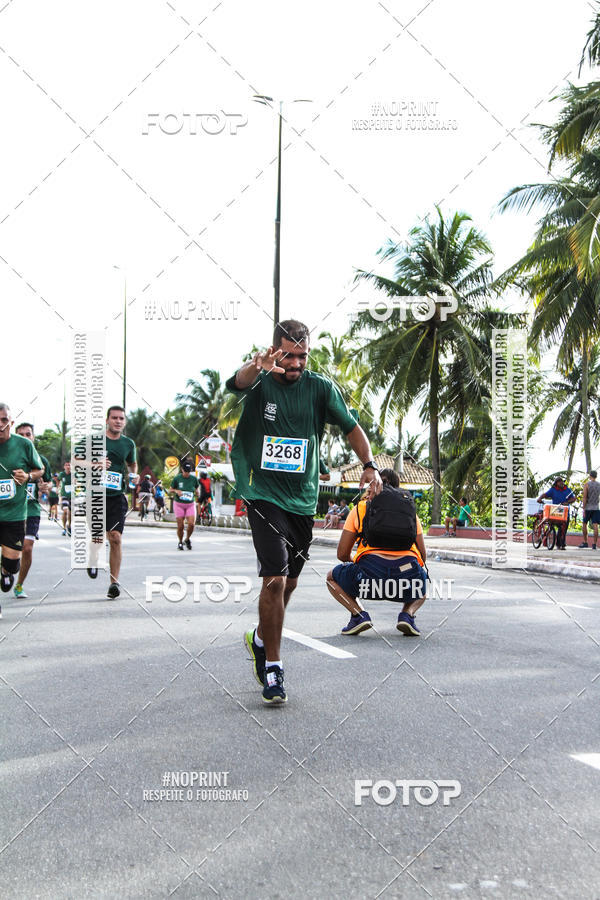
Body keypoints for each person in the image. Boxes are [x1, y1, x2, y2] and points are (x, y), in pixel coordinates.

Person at [229, 319, 382, 704]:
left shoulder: (319, 388)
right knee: (275, 580)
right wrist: (257, 364)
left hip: (302, 500)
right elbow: (238, 382)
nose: (296, 363)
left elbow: (351, 426)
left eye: (302, 356)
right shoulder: (261, 378)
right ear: (275, 350)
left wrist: (370, 464)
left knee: (290, 583)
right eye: (288, 356)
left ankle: (261, 638)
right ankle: (274, 670)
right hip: (262, 493)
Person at [327, 469, 427, 637]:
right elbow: (422, 556)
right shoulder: (410, 512)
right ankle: (407, 615)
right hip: (405, 580)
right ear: (397, 488)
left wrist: (358, 566)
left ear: (374, 484)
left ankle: (359, 616)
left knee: (331, 578)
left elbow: (342, 553)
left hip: (369, 579)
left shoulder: (361, 508)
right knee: (423, 580)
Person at [87, 406, 138, 598]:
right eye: (114, 418)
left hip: (117, 496)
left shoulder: (128, 444)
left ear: (124, 422)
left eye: (121, 418)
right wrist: (95, 464)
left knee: (115, 537)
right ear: (107, 420)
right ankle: (93, 558)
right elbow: (76, 460)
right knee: (98, 538)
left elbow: (132, 463)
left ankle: (114, 583)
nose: (118, 421)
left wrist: (133, 475)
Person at [0, 403, 44, 617]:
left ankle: (6, 571)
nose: (0, 424)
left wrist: (27, 477)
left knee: (12, 563)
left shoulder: (24, 445)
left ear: (11, 421)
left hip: (14, 514)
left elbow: (39, 470)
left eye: (3, 420)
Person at [13, 423, 52, 599]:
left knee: (27, 549)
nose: (25, 437)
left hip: (32, 509)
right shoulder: (11, 457)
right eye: (21, 434)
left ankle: (19, 585)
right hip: (10, 509)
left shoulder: (42, 461)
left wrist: (46, 486)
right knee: (10, 551)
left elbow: (49, 483)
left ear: (33, 437)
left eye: (28, 434)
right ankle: (6, 569)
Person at [537, 476, 575, 550]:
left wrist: (567, 502)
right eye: (559, 481)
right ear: (556, 483)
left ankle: (561, 543)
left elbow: (573, 498)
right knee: (555, 525)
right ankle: (554, 542)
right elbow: (545, 494)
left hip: (564, 511)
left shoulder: (567, 490)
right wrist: (540, 498)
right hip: (555, 510)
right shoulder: (553, 490)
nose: (561, 483)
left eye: (562, 481)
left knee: (564, 528)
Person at [171, 459, 199, 550]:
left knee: (191, 524)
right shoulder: (177, 478)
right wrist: (176, 491)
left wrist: (197, 492)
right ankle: (180, 541)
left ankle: (187, 539)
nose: (187, 473)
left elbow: (197, 488)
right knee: (180, 525)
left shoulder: (194, 479)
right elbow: (170, 489)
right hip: (179, 504)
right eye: (185, 471)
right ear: (181, 469)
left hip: (190, 504)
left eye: (188, 471)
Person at [579, 470, 600, 550]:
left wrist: (583, 508)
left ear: (590, 476)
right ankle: (594, 544)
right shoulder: (599, 485)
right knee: (595, 525)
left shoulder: (587, 485)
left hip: (588, 507)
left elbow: (584, 497)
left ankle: (585, 542)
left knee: (584, 524)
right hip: (596, 507)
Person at [58, 460, 72, 536]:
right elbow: (57, 480)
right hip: (64, 495)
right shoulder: (61, 474)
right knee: (65, 511)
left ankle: (69, 525)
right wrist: (58, 489)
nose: (68, 466)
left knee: (71, 512)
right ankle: (64, 528)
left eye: (69, 465)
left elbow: (79, 481)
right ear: (64, 467)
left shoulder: (74, 474)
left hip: (72, 495)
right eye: (66, 465)